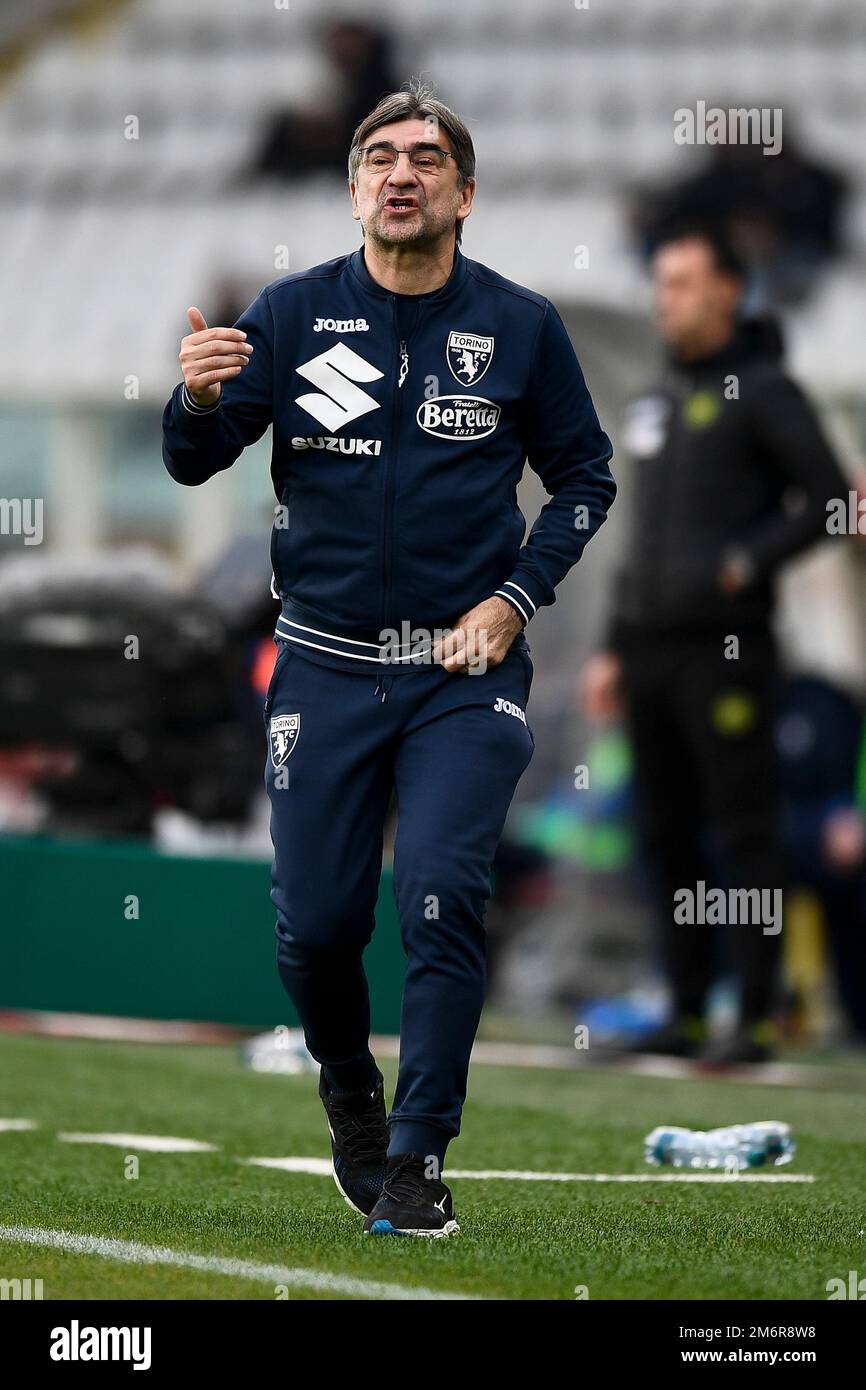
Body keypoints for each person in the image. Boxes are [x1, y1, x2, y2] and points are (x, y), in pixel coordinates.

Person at [162, 80, 615, 1236]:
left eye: (423, 157)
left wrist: (516, 599)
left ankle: (416, 1156)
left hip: (463, 674)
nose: (397, 173)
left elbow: (583, 477)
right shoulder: (294, 310)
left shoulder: (520, 325)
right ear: (354, 185)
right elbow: (199, 459)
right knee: (313, 927)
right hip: (319, 665)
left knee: (439, 895)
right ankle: (350, 1094)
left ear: (465, 191)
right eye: (377, 157)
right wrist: (193, 399)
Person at [581, 223, 848, 1066]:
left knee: (743, 831)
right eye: (661, 283)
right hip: (651, 648)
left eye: (686, 283)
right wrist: (612, 647)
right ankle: (688, 1010)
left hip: (728, 649)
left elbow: (828, 498)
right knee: (663, 831)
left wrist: (746, 563)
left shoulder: (765, 389)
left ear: (731, 290)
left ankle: (759, 1016)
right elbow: (641, 539)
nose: (669, 299)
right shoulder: (657, 399)